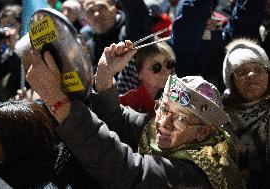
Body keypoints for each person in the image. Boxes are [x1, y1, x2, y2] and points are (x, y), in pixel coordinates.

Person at [23, 41, 245, 188]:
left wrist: (58, 100)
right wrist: (104, 77)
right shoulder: (156, 128)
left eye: (180, 119)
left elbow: (125, 170)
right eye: (164, 108)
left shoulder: (201, 172)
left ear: (204, 131)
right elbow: (118, 121)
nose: (163, 123)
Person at [222, 38, 270, 188]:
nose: (251, 75)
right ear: (231, 82)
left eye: (259, 69)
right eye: (241, 72)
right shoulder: (219, 119)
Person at [80, 0, 153, 72]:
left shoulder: (129, 33)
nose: (96, 14)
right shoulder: (88, 48)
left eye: (102, 7)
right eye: (90, 11)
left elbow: (137, 14)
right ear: (85, 18)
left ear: (114, 9)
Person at [119, 42, 175, 116]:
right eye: (156, 67)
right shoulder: (126, 105)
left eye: (168, 63)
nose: (165, 71)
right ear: (138, 73)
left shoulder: (174, 98)